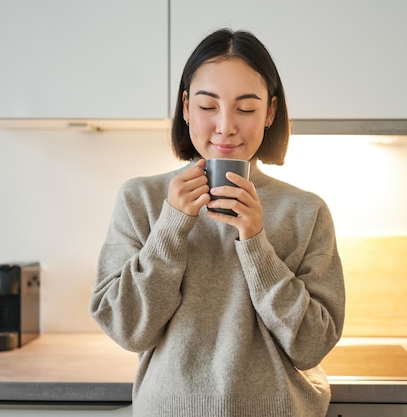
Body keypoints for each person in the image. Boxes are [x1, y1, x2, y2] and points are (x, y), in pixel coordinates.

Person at [90, 28, 345, 417]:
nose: (226, 126)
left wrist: (257, 243)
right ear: (187, 107)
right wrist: (170, 229)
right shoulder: (139, 199)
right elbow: (128, 330)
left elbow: (311, 345)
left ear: (270, 113)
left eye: (246, 108)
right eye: (209, 106)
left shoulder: (306, 211)